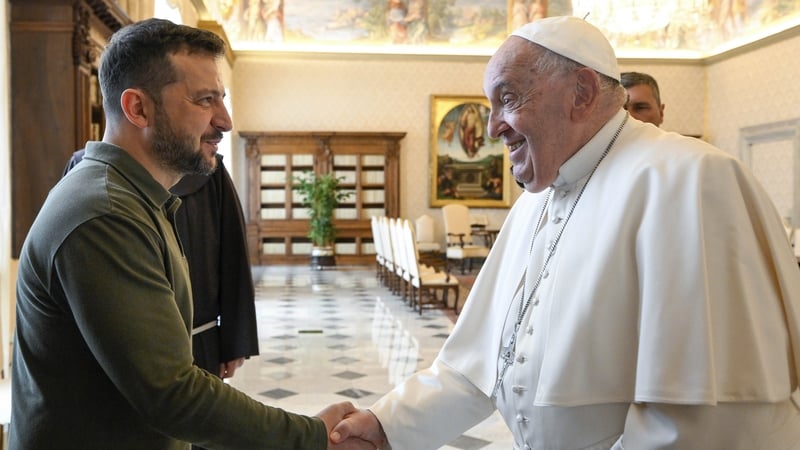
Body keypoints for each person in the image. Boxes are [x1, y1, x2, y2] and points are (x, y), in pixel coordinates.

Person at [330, 16, 800, 449]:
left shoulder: (688, 180)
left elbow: (701, 422)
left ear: (581, 92)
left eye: (508, 99)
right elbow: (478, 365)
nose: (493, 127)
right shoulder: (536, 200)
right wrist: (386, 424)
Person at [11, 18, 367, 449]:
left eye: (222, 98)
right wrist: (309, 437)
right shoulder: (105, 214)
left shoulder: (134, 198)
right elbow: (171, 392)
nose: (225, 120)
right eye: (204, 100)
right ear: (138, 108)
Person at [64, 150, 259, 383]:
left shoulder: (208, 170)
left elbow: (232, 253)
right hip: (108, 350)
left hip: (198, 340)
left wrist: (235, 342)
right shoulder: (82, 166)